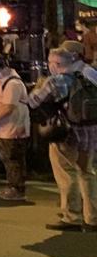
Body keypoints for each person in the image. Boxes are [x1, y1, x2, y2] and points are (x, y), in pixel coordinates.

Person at [26, 47, 97, 232]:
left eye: (50, 62)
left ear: (56, 64)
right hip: (90, 131)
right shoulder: (88, 75)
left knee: (66, 173)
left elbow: (32, 101)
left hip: (67, 134)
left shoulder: (56, 81)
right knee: (87, 173)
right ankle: (92, 218)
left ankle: (72, 216)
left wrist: (39, 84)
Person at [0, 53, 30, 202]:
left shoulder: (13, 83)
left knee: (13, 159)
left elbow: (8, 107)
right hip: (2, 128)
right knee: (7, 158)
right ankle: (12, 186)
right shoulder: (0, 81)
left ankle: (17, 188)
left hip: (12, 128)